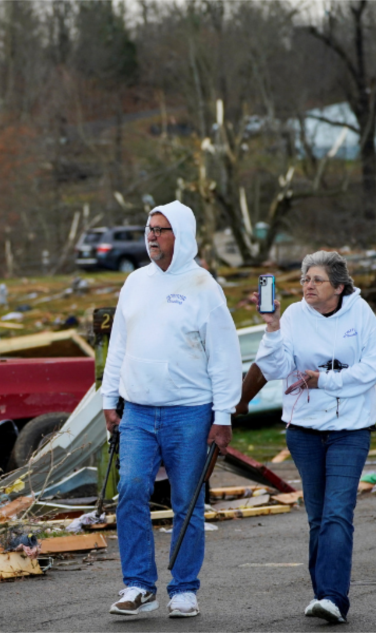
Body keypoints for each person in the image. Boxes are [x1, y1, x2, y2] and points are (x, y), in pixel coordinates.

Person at [101, 200, 241, 618]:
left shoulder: (204, 287)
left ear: (181, 235)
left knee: (187, 501)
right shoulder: (135, 282)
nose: (152, 236)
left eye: (161, 229)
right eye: (149, 229)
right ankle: (139, 586)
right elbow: (119, 346)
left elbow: (224, 358)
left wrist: (223, 416)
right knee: (130, 490)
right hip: (139, 412)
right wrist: (109, 400)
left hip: (190, 412)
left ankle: (184, 589)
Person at [252, 251, 376, 624]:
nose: (308, 285)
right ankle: (322, 594)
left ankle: (333, 598)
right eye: (304, 279)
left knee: (338, 514)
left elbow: (375, 365)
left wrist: (326, 380)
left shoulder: (361, 314)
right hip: (305, 432)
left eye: (317, 280)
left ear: (339, 287)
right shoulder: (294, 315)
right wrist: (272, 325)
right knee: (318, 518)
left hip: (350, 431)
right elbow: (275, 367)